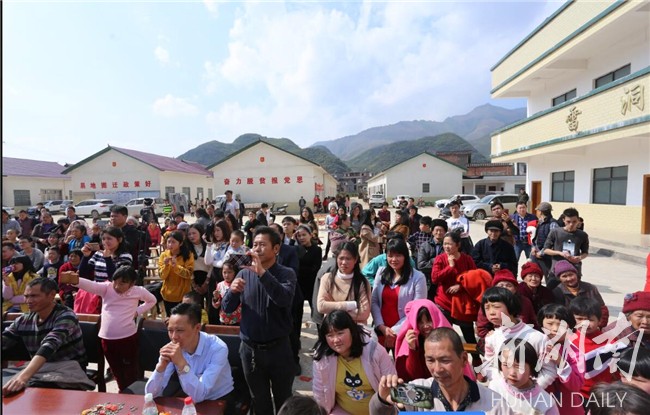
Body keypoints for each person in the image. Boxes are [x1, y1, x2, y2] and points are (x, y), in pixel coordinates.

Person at [221, 226, 297, 414]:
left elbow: (283, 299)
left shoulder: (286, 273)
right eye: (254, 244)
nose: (257, 249)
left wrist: (262, 273)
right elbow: (227, 308)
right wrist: (232, 291)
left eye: (263, 245)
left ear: (276, 249)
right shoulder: (243, 273)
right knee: (259, 399)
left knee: (283, 399)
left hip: (279, 349)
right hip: (250, 351)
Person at [370, 327, 510, 414]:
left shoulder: (493, 403)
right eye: (430, 360)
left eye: (445, 360)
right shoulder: (417, 392)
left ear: (463, 359)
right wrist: (382, 400)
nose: (437, 369)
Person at [63, 265, 156, 391]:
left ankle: (132, 392)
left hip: (128, 337)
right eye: (115, 282)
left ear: (132, 283)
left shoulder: (138, 291)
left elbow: (152, 300)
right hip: (107, 339)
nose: (117, 287)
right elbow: (92, 285)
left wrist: (137, 311)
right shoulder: (107, 289)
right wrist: (75, 280)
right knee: (116, 369)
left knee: (130, 369)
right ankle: (122, 390)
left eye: (123, 283)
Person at [2, 277, 92, 396]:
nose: (28, 300)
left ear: (51, 295)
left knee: (22, 391)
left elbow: (50, 344)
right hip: (38, 371)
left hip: (67, 371)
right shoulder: (23, 320)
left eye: (34, 296)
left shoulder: (66, 316)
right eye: (26, 296)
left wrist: (23, 377)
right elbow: (4, 341)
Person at [145, 303, 235, 409]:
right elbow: (150, 395)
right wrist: (160, 368)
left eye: (180, 330)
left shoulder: (217, 348)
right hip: (190, 396)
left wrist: (182, 365)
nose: (174, 337)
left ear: (197, 328)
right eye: (170, 330)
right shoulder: (171, 348)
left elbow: (199, 396)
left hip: (219, 398)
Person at [312, 310, 396, 415]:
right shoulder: (322, 359)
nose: (335, 340)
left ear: (352, 331)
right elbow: (320, 393)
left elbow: (392, 386)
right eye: (330, 335)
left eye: (340, 333)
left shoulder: (375, 352)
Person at [481, 287, 557, 389]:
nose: (491, 312)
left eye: (496, 306)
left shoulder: (537, 338)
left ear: (510, 306)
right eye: (487, 308)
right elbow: (489, 365)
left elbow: (549, 370)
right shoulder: (492, 338)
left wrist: (530, 389)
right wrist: (499, 385)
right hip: (502, 395)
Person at [371, 238, 427, 350]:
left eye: (398, 255)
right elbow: (374, 301)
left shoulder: (418, 277)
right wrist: (382, 327)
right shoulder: (381, 272)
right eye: (390, 256)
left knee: (402, 366)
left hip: (405, 332)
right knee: (378, 365)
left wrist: (393, 331)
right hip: (381, 329)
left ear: (405, 256)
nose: (394, 259)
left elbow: (417, 309)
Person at [569, 297, 622, 404]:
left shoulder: (611, 342)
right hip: (575, 394)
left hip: (603, 394)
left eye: (590, 320)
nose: (585, 324)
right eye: (579, 319)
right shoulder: (568, 341)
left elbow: (618, 370)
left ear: (599, 320)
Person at [431, 230, 478, 347]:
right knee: (444, 338)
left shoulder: (467, 259)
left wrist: (460, 285)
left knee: (469, 337)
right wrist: (450, 267)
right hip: (444, 303)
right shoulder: (440, 259)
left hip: (462, 305)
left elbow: (475, 278)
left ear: (458, 245)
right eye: (445, 243)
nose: (446, 246)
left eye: (449, 244)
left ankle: (477, 362)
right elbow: (435, 278)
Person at [489, 339, 559, 414]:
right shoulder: (494, 388)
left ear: (532, 369)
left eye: (519, 367)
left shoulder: (546, 403)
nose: (512, 373)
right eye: (506, 364)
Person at [537, 303, 584, 415]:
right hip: (535, 403)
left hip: (565, 407)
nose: (555, 329)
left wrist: (560, 361)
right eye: (549, 323)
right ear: (540, 324)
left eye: (561, 325)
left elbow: (576, 385)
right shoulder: (532, 345)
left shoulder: (574, 353)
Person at [394, 299, 453, 382]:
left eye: (429, 320)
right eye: (420, 322)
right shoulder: (411, 339)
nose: (425, 326)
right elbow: (412, 376)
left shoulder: (447, 338)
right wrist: (412, 349)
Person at [476, 269, 538, 342]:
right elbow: (481, 328)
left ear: (515, 289)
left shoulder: (525, 301)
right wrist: (492, 338)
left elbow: (533, 323)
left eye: (509, 285)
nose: (504, 288)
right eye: (501, 285)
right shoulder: (489, 302)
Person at [317, 242, 371, 324]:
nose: (344, 262)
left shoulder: (362, 282)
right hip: (332, 329)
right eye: (341, 258)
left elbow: (364, 313)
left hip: (355, 331)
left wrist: (332, 306)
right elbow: (321, 306)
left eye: (348, 259)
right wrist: (351, 305)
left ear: (355, 259)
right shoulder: (327, 278)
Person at [542, 207, 589, 290]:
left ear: (578, 220)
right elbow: (546, 250)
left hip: (574, 270)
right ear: (563, 220)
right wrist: (560, 253)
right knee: (550, 294)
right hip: (556, 270)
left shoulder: (582, 235)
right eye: (568, 221)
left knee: (573, 295)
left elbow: (585, 252)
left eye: (574, 221)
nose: (571, 224)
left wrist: (580, 257)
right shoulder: (555, 232)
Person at [552, 260, 608, 328]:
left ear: (576, 274)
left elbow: (602, 308)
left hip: (592, 326)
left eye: (571, 274)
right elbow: (559, 314)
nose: (569, 278)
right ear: (559, 278)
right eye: (564, 276)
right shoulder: (557, 292)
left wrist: (598, 325)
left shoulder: (590, 288)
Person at [159, 230, 194, 316]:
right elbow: (162, 276)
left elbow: (188, 274)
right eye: (169, 242)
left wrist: (176, 267)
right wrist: (166, 266)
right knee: (170, 318)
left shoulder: (188, 255)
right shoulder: (164, 255)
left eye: (173, 242)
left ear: (181, 243)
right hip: (168, 294)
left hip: (183, 294)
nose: (170, 244)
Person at [204, 220, 231, 323]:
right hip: (214, 276)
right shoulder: (214, 245)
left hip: (225, 275)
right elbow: (208, 261)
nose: (216, 233)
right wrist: (209, 245)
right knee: (213, 301)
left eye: (218, 230)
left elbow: (224, 262)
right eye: (214, 231)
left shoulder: (230, 244)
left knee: (224, 300)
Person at [416, 219, 447, 299]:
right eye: (436, 230)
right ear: (432, 231)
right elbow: (421, 265)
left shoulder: (448, 246)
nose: (439, 233)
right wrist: (437, 261)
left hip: (443, 283)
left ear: (445, 232)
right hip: (427, 282)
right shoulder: (424, 246)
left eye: (441, 231)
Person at [295, 224, 322, 313]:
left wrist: (299, 268)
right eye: (299, 236)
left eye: (304, 235)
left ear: (310, 235)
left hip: (312, 284)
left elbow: (315, 268)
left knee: (316, 311)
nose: (301, 238)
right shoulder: (295, 249)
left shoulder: (317, 250)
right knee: (297, 313)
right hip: (298, 285)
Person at [530, 202, 559, 278]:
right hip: (536, 253)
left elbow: (554, 242)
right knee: (534, 276)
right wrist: (533, 247)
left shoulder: (553, 224)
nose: (537, 212)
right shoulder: (540, 222)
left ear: (541, 212)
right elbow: (536, 238)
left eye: (538, 210)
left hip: (547, 257)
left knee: (549, 278)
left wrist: (542, 252)